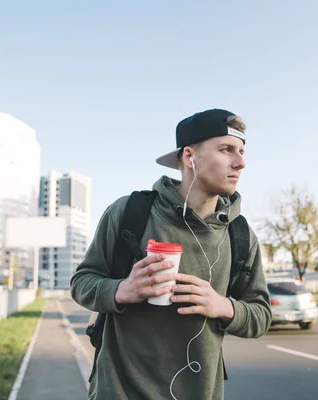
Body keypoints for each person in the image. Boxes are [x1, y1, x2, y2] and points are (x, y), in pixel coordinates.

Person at [70, 108, 272, 400]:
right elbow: (81, 283)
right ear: (190, 157)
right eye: (227, 149)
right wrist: (121, 289)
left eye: (241, 151)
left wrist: (223, 306)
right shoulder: (128, 213)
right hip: (118, 392)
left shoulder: (240, 235)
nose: (240, 162)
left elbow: (261, 315)